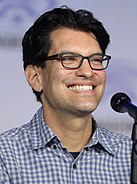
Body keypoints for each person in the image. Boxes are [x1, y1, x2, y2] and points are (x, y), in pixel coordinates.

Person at [0, 6, 132, 183]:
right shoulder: (5, 155)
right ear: (35, 77)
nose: (87, 72)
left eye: (96, 60)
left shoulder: (130, 155)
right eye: (69, 59)